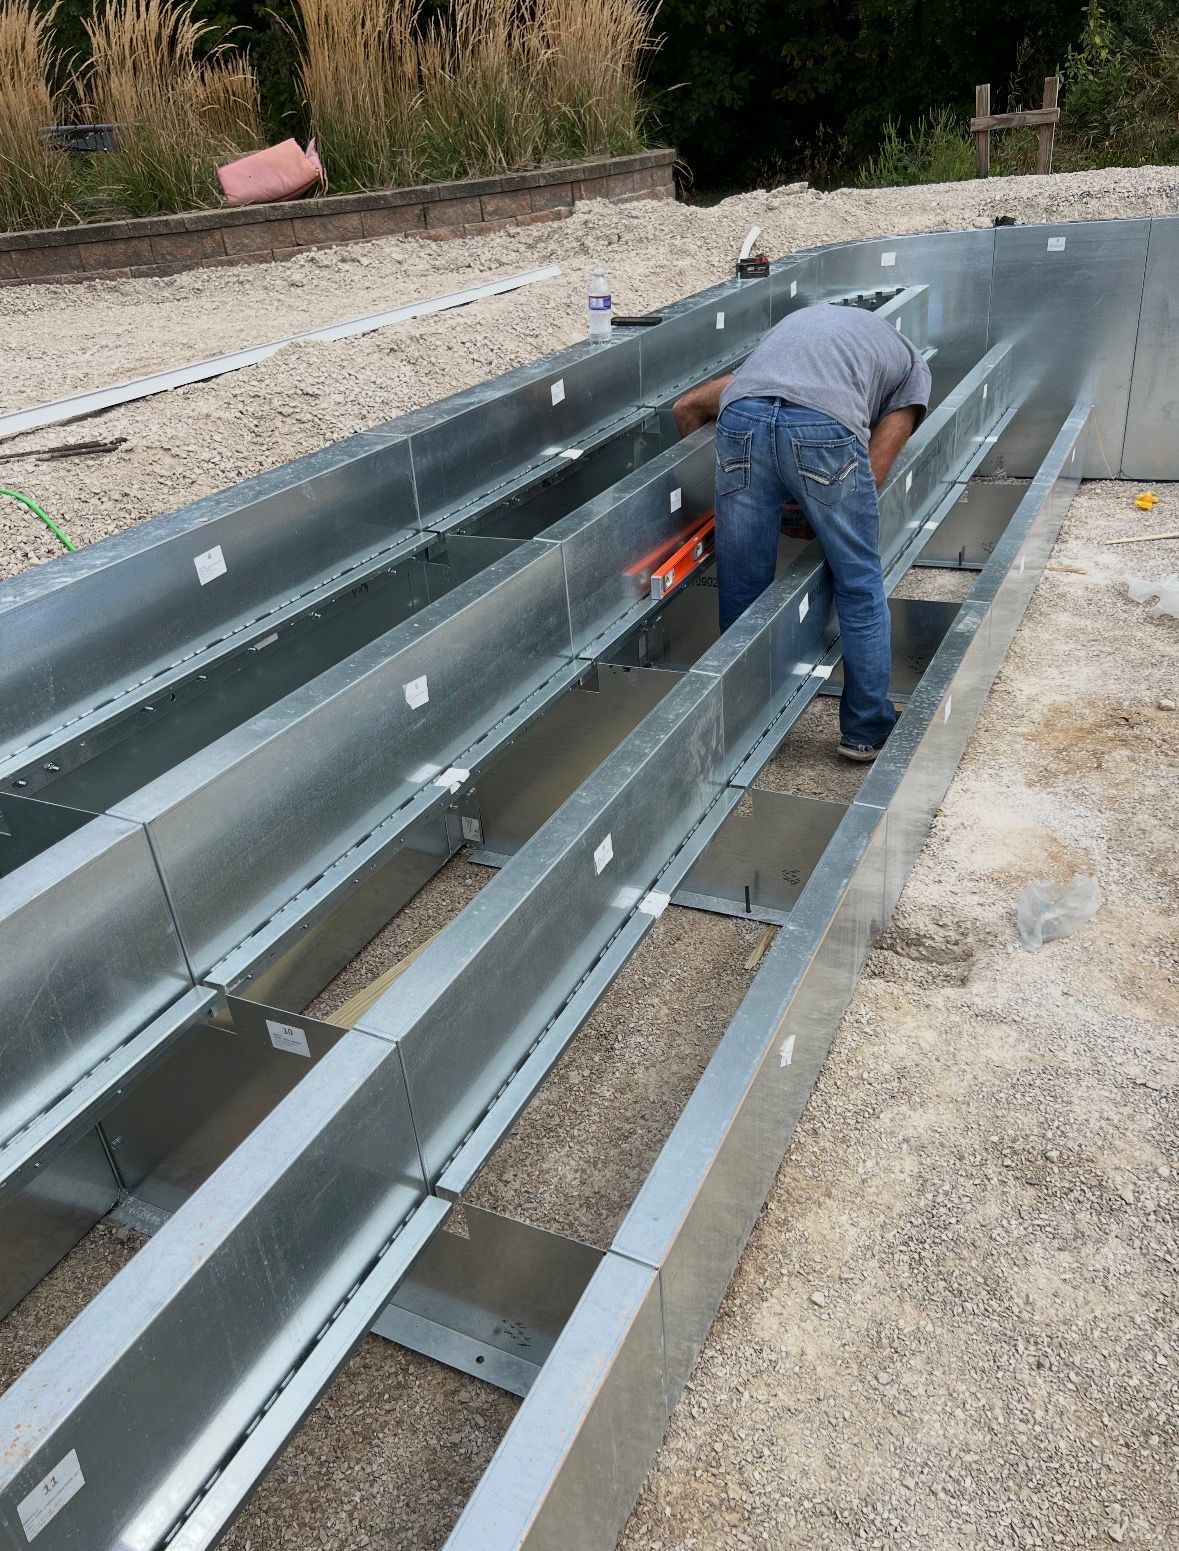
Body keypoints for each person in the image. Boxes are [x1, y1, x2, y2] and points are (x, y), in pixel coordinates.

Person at [673, 301, 931, 762]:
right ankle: (866, 729)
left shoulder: (782, 354)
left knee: (742, 581)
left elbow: (686, 407)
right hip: (823, 428)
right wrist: (822, 514)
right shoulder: (913, 371)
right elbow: (872, 471)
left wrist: (727, 500)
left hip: (742, 419)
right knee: (858, 583)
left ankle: (744, 724)